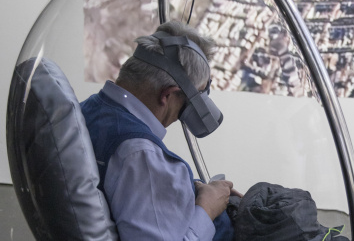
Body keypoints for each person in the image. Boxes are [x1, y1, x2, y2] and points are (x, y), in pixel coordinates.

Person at [81, 20, 241, 241]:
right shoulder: (140, 154)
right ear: (167, 95)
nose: (180, 117)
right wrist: (207, 208)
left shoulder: (89, 110)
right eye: (187, 103)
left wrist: (192, 189)